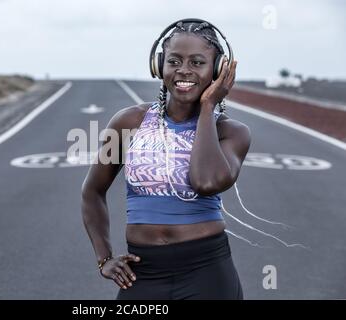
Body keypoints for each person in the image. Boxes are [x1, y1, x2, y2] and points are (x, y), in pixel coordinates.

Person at [81, 18, 251, 300]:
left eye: (197, 62)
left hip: (207, 273)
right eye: (174, 61)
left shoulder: (232, 133)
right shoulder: (128, 122)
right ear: (159, 66)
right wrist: (104, 258)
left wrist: (208, 107)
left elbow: (206, 181)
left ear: (218, 70)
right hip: (143, 273)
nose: (184, 71)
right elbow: (92, 191)